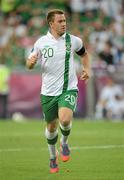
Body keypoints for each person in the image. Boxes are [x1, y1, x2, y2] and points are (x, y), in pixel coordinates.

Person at [26, 9, 90, 173]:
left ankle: (65, 142)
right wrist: (32, 63)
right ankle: (53, 158)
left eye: (65, 21)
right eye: (60, 21)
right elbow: (30, 63)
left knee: (65, 119)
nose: (64, 24)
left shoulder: (73, 40)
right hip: (48, 92)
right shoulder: (41, 42)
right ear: (51, 23)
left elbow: (84, 55)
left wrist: (86, 69)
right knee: (52, 127)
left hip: (68, 89)